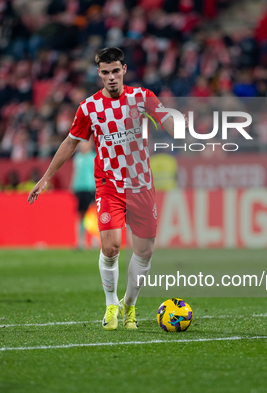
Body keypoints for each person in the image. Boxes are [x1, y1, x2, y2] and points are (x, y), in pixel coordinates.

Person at [28, 47, 180, 330]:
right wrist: (46, 177)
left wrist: (178, 128)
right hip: (109, 186)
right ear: (99, 74)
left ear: (124, 70)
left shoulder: (142, 98)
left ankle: (129, 306)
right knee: (110, 247)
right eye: (105, 72)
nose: (111, 77)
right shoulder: (88, 108)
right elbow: (71, 142)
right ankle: (111, 304)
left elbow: (167, 119)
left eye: (115, 71)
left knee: (144, 251)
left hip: (141, 185)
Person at [70, 140, 96, 249]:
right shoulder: (77, 158)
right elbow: (75, 173)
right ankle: (80, 242)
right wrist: (73, 186)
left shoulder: (94, 157)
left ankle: (95, 240)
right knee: (81, 215)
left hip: (91, 187)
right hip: (80, 188)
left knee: (93, 215)